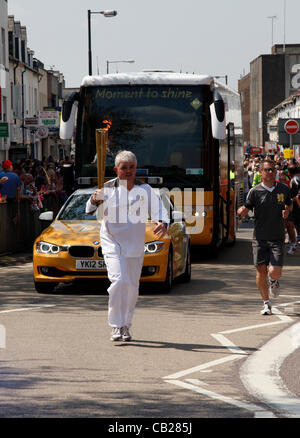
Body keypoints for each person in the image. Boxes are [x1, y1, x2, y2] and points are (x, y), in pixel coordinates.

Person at [86, 150, 169, 342]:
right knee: (119, 281)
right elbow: (89, 210)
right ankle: (115, 325)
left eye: (132, 167)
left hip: (134, 243)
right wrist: (94, 199)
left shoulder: (145, 190)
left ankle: (125, 325)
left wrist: (162, 222)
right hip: (112, 241)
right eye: (124, 168)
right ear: (116, 169)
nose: (128, 171)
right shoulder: (106, 188)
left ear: (136, 168)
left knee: (131, 286)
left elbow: (160, 211)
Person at [237, 159, 292, 316]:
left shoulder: (283, 189)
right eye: (267, 170)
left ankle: (274, 281)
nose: (271, 172)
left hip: (277, 237)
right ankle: (266, 303)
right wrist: (241, 211)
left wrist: (287, 212)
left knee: (274, 271)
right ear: (260, 172)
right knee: (261, 271)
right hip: (260, 238)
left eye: (272, 170)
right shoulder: (255, 191)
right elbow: (247, 207)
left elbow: (289, 205)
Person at [286, 165, 300, 254]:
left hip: (296, 207)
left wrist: (295, 199)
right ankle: (295, 243)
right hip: (295, 207)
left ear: (289, 172)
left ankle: (294, 245)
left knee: (290, 224)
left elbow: (299, 194)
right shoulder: (295, 178)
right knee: (293, 225)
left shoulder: (296, 179)